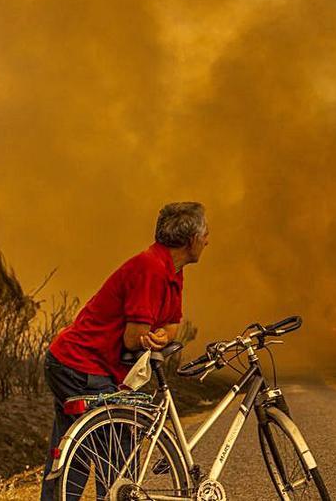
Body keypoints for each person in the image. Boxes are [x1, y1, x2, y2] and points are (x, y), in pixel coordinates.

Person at [40, 202, 209, 501]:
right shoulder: (151, 268)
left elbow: (172, 324)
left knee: (77, 454)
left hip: (80, 362)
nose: (208, 240)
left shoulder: (172, 269)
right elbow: (133, 339)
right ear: (190, 239)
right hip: (80, 364)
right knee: (117, 458)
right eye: (205, 233)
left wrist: (159, 335)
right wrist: (150, 337)